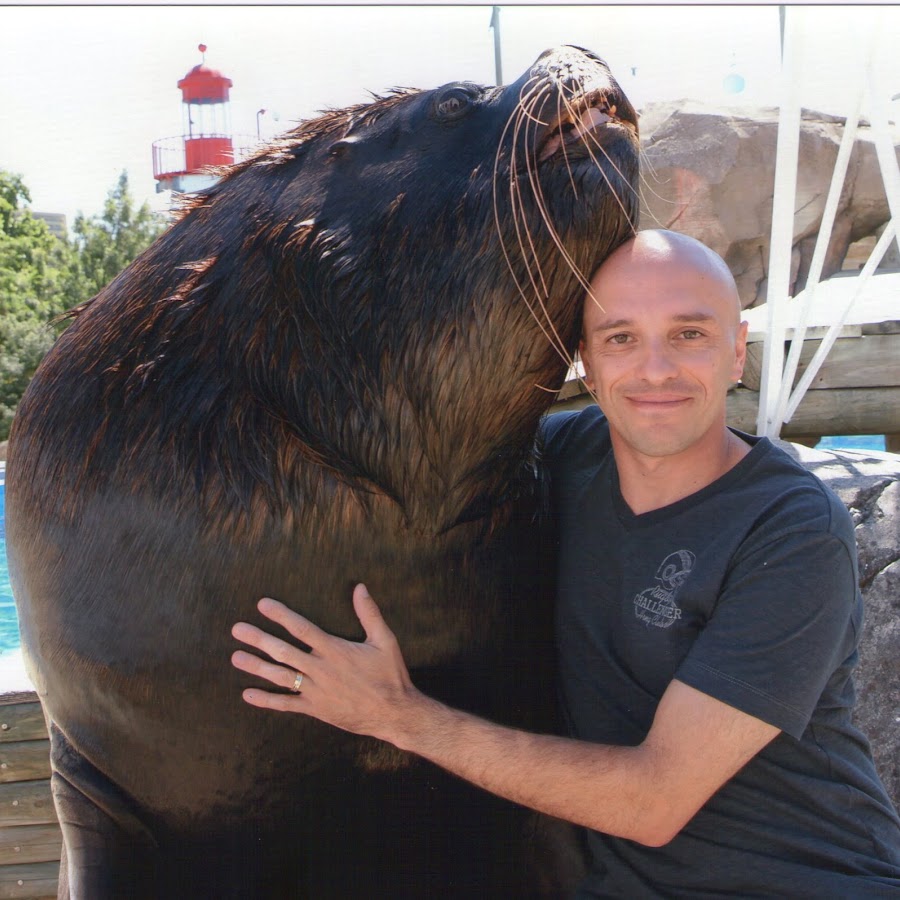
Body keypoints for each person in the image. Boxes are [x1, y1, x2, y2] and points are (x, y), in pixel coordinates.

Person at [232, 230, 900, 896]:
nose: (656, 369)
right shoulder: (560, 460)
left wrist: (395, 714)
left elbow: (654, 800)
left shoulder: (792, 530)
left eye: (689, 334)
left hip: (815, 881)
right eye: (620, 339)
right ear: (584, 360)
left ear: (736, 350)